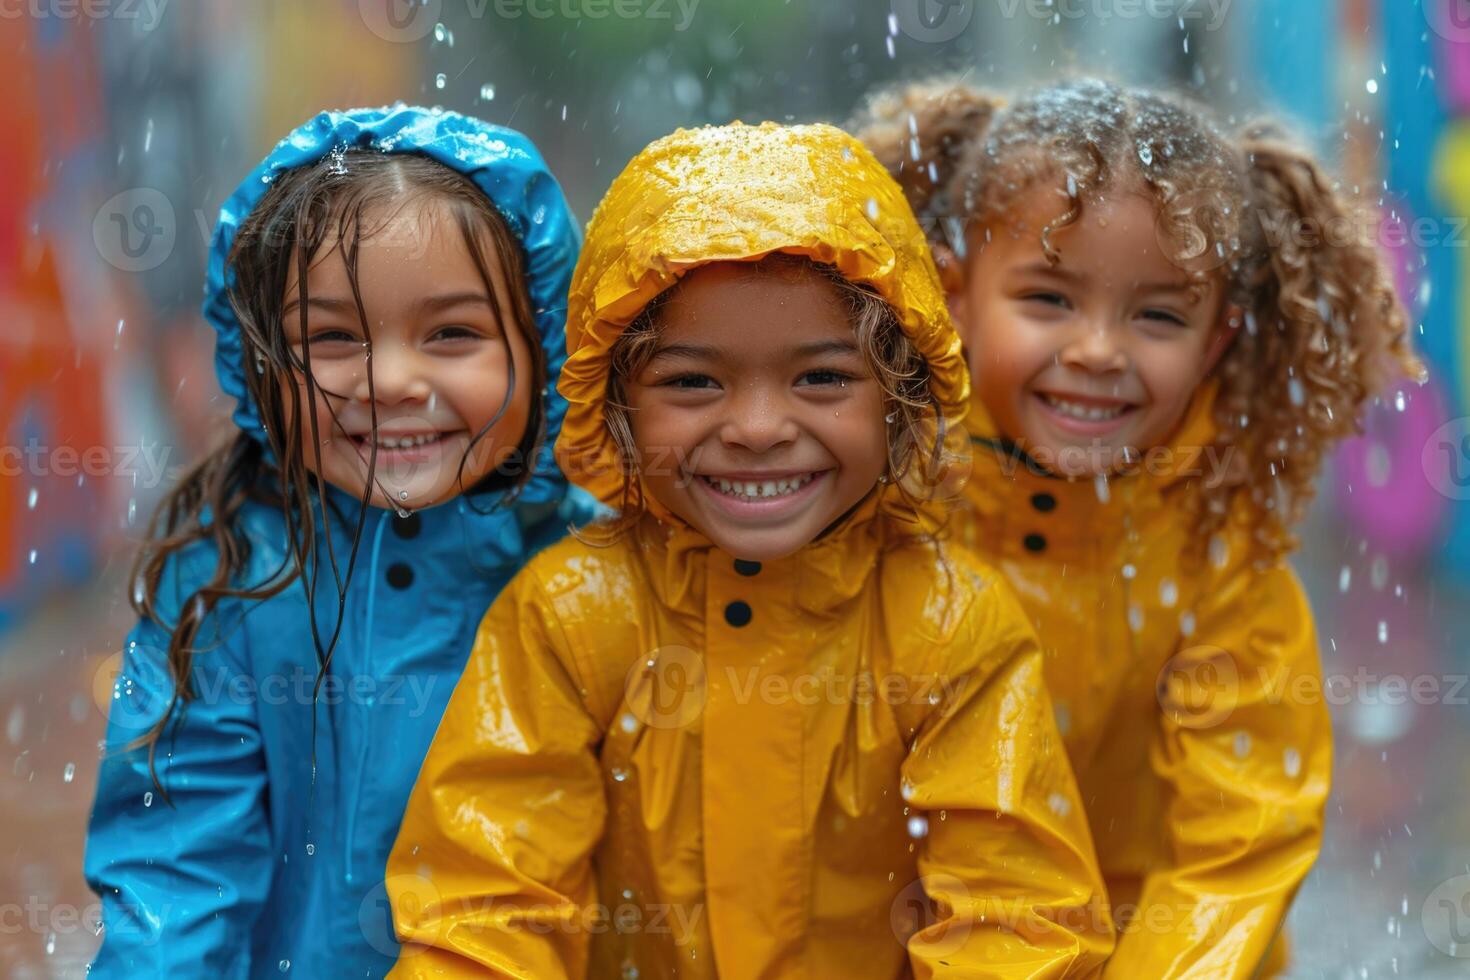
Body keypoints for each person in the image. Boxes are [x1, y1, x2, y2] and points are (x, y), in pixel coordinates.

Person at [384, 121, 1116, 978]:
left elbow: (1015, 919)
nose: (760, 429)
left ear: (901, 399)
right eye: (693, 382)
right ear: (615, 404)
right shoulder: (570, 616)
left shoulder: (951, 626)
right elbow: (487, 912)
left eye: (822, 379)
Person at [856, 76, 1422, 976]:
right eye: (1048, 300)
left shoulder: (1216, 557)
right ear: (954, 297)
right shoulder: (880, 501)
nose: (1096, 350)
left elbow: (1237, 849)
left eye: (1157, 315)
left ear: (1218, 342)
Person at [84, 105, 594, 977]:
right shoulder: (229, 582)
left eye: (453, 334)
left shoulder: (598, 575)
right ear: (258, 363)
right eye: (331, 338)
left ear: (544, 344)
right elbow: (176, 871)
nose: (391, 381)